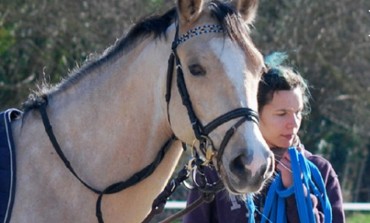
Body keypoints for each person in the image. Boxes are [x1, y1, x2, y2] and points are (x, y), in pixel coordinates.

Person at [182, 53, 345, 223]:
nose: (293, 123)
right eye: (282, 114)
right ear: (255, 113)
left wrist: (295, 190)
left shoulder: (321, 171)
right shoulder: (216, 170)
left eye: (298, 113)